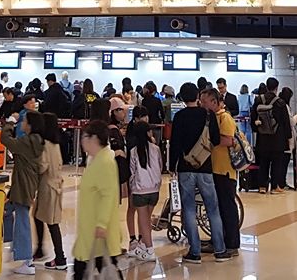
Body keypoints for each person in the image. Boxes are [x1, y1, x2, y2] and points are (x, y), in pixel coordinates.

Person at [168, 82, 229, 263]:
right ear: (197, 96)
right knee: (212, 209)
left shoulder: (179, 117)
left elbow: (175, 143)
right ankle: (220, 250)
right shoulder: (208, 115)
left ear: (182, 97)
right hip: (205, 167)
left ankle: (194, 252)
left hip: (185, 168)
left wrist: (172, 165)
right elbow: (216, 140)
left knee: (188, 209)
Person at [72, 120, 124, 280]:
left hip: (99, 230)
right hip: (91, 227)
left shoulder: (105, 162)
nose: (82, 141)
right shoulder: (95, 159)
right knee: (100, 267)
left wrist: (102, 223)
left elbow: (108, 195)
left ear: (94, 138)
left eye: (84, 137)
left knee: (96, 267)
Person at [1, 112, 44, 274]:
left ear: (31, 125)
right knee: (6, 210)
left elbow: (5, 140)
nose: (22, 123)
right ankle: (13, 244)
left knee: (22, 220)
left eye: (25, 121)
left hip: (23, 186)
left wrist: (10, 122)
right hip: (23, 184)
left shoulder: (27, 142)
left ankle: (26, 259)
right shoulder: (36, 140)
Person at [201, 87, 241, 257]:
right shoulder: (212, 118)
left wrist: (209, 140)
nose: (202, 104)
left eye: (204, 102)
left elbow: (228, 140)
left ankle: (232, 243)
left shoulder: (225, 118)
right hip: (214, 169)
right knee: (216, 208)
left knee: (227, 208)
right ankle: (217, 239)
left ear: (214, 102)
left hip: (224, 170)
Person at [33, 113, 67, 271]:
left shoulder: (45, 144)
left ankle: (60, 257)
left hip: (48, 187)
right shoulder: (56, 143)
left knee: (51, 222)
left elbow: (42, 166)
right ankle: (42, 249)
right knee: (41, 217)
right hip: (56, 185)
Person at [125, 115, 161, 262]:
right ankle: (142, 245)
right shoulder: (156, 149)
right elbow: (160, 166)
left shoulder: (133, 151)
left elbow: (132, 172)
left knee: (143, 221)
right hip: (154, 190)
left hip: (140, 191)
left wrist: (132, 187)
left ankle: (150, 249)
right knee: (147, 220)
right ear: (147, 133)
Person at [251, 85, 282, 195]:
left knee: (263, 163)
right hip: (276, 139)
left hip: (262, 138)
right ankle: (274, 187)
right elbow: (284, 122)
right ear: (276, 88)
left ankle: (262, 186)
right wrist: (287, 138)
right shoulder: (279, 102)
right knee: (276, 164)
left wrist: (256, 129)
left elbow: (253, 116)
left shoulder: (259, 100)